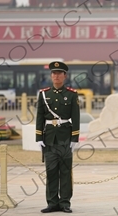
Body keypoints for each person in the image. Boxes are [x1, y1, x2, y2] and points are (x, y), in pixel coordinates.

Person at [36, 61, 80, 213]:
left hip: (65, 138)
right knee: (51, 171)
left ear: (64, 76)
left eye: (59, 73)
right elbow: (39, 116)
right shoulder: (44, 94)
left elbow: (76, 117)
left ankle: (65, 203)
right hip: (49, 139)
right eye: (54, 73)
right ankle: (52, 203)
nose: (56, 76)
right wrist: (39, 137)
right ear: (51, 75)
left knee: (65, 172)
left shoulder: (72, 95)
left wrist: (74, 138)